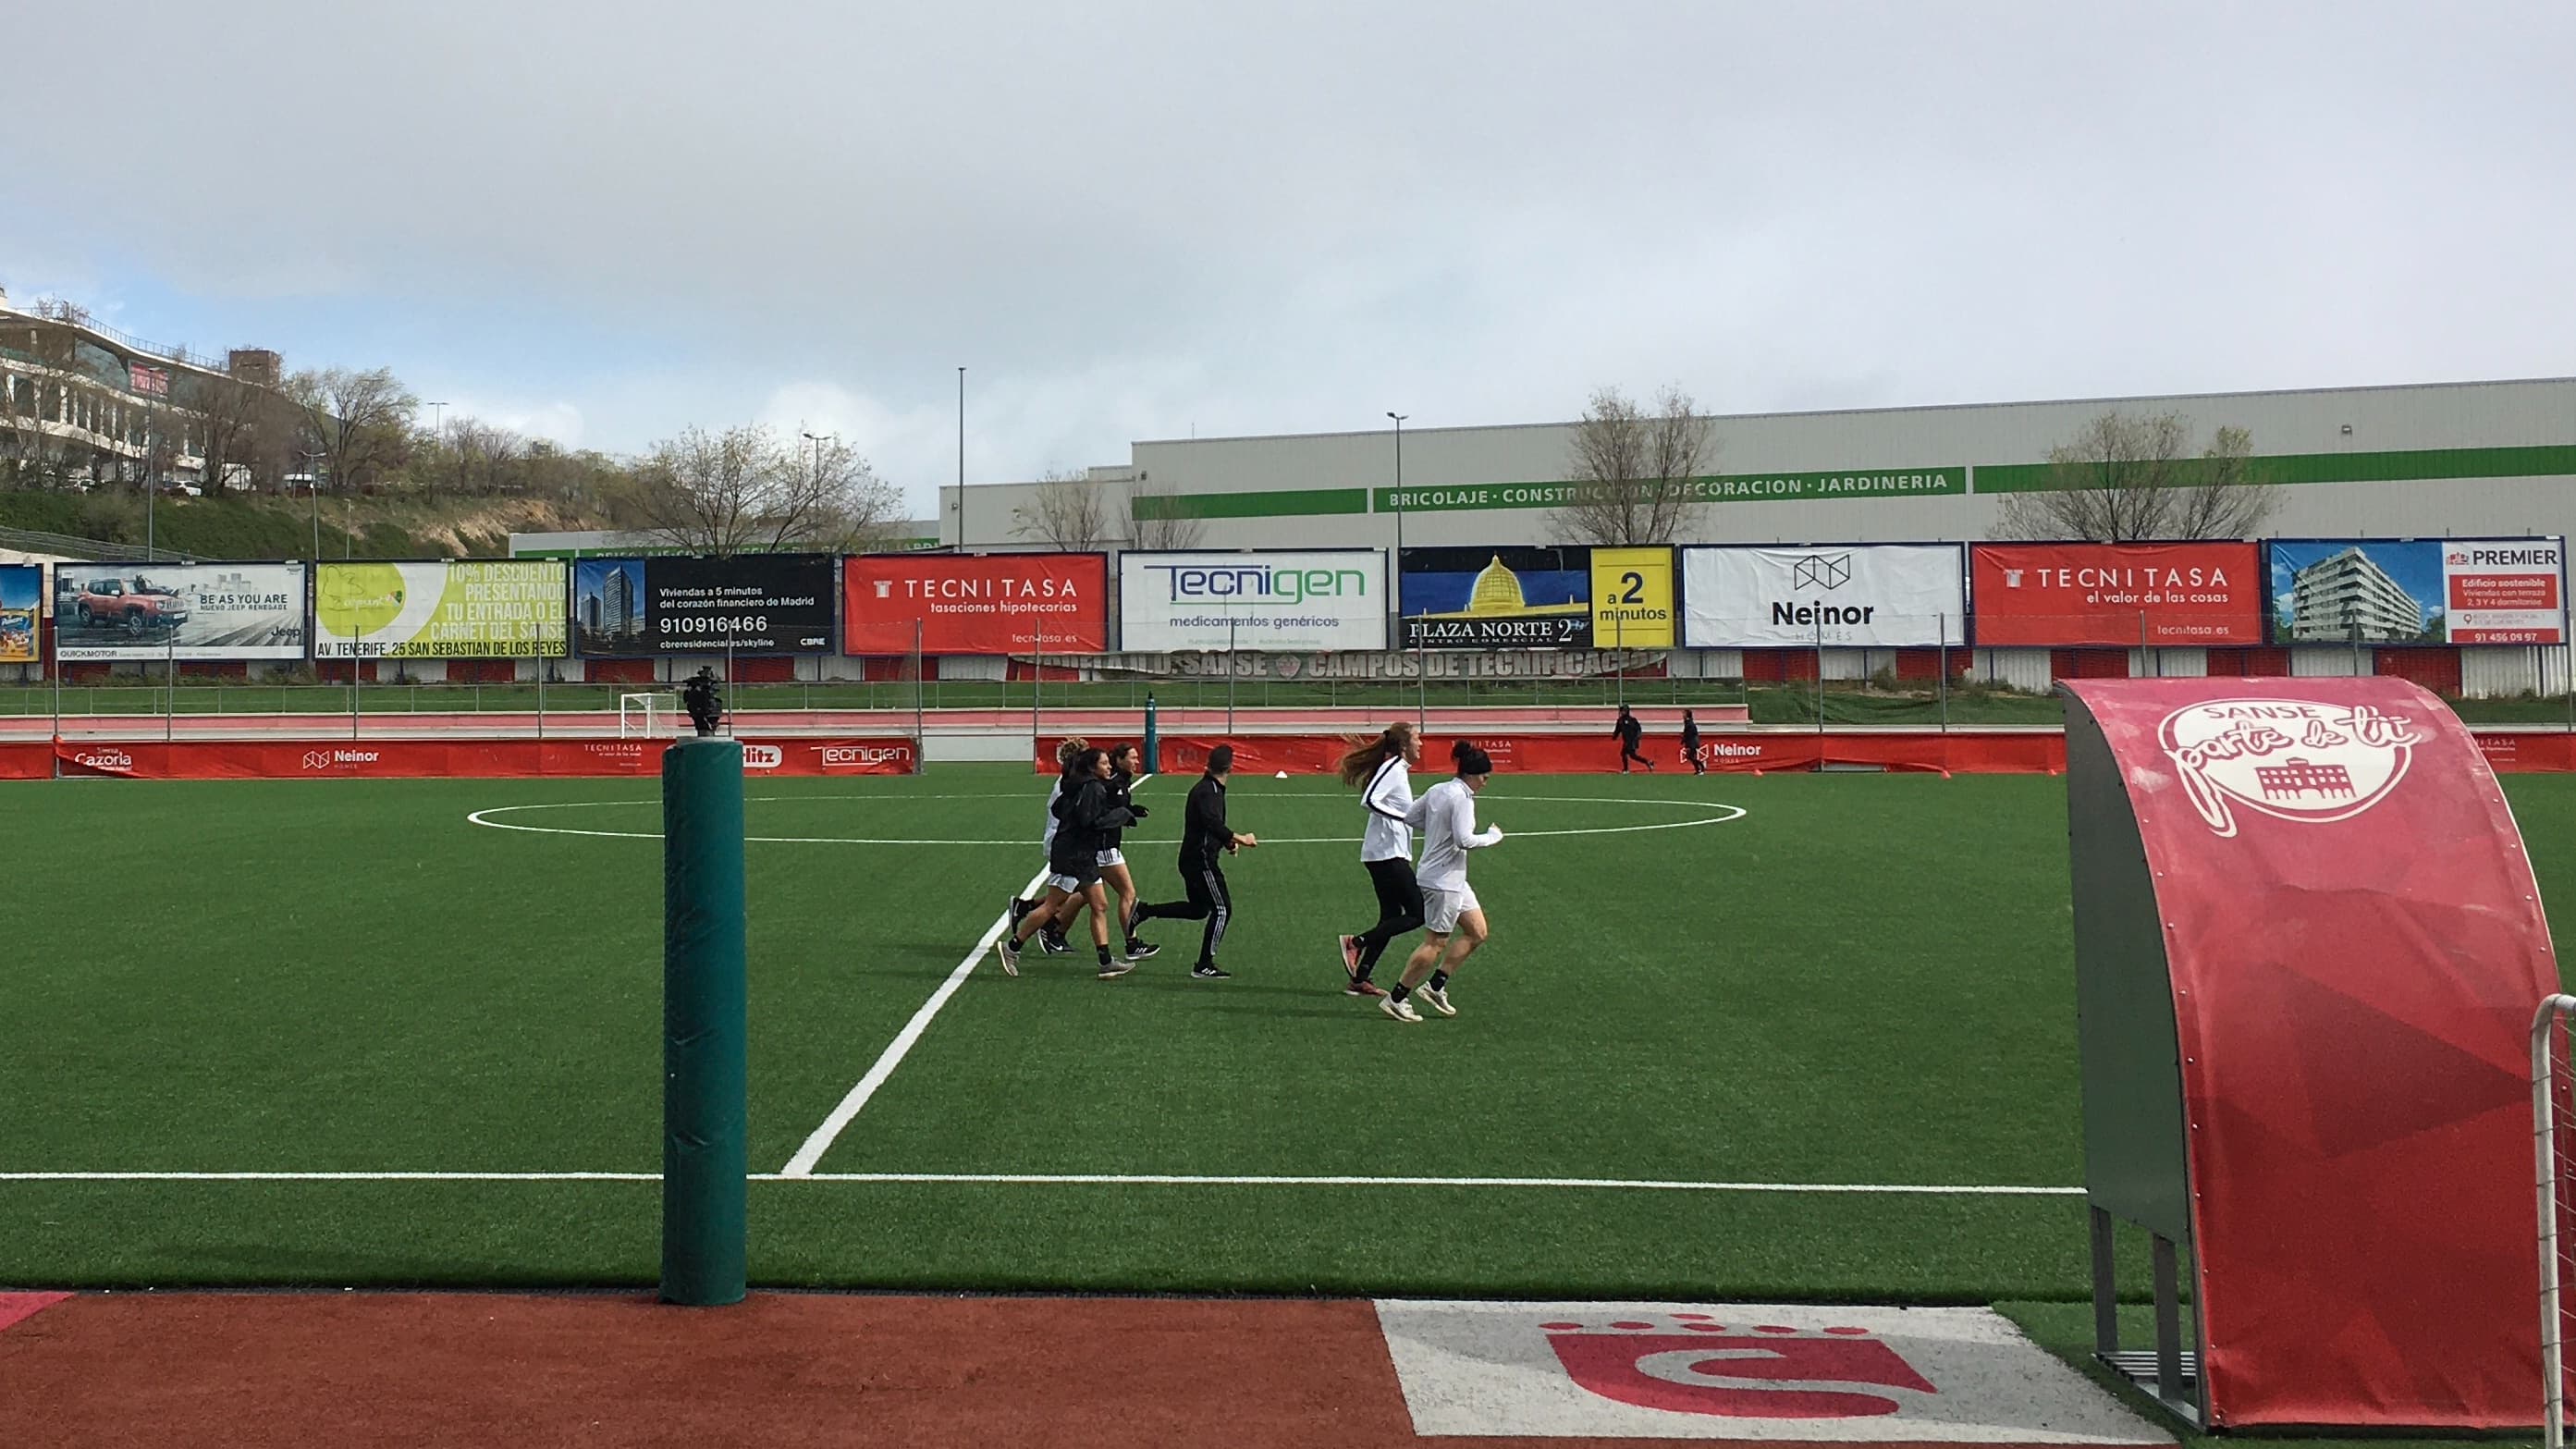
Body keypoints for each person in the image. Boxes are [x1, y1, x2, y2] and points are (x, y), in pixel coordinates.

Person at [1382, 740, 1503, 1024]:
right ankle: (1396, 998)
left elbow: (1411, 817)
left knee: (1477, 932)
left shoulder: (1438, 789)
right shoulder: (1462, 799)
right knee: (1436, 942)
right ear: (1472, 775)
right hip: (1442, 882)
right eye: (1484, 778)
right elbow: (1464, 840)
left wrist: (1438, 828)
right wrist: (1492, 837)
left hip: (1453, 878)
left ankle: (1435, 986)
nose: (1485, 783)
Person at [997, 746, 1137, 979]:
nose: (1109, 766)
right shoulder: (1092, 788)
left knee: (1100, 905)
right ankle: (1012, 947)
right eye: (1104, 763)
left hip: (1083, 855)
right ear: (1092, 767)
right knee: (1052, 906)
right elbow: (1090, 821)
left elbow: (1059, 808)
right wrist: (1121, 815)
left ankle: (1106, 962)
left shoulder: (1077, 784)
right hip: (1073, 856)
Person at [1131, 744, 1257, 979]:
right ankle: (1204, 964)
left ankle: (1144, 911)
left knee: (1199, 909)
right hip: (1201, 861)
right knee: (1222, 909)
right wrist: (1240, 838)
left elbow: (1209, 825)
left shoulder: (1211, 788)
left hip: (1193, 859)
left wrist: (1227, 843)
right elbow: (1211, 822)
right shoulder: (1208, 791)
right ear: (1231, 767)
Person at [1333, 722, 1424, 998]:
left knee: (1391, 917)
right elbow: (1370, 800)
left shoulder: (1398, 770)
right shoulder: (1393, 768)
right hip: (1386, 854)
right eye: (1417, 738)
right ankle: (1355, 942)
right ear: (1404, 745)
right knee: (1418, 913)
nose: (1421, 744)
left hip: (1387, 853)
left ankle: (1360, 979)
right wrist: (1404, 818)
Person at [1009, 738, 1086, 954]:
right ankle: (1034, 934)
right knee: (1068, 896)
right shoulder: (1068, 784)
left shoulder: (1073, 780)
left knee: (1086, 890)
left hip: (1068, 841)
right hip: (1063, 843)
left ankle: (1028, 909)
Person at [1098, 743, 1158, 961]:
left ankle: (1050, 923)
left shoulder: (1122, 781)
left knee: (1081, 894)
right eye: (1132, 757)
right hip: (1105, 847)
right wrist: (1126, 815)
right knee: (1128, 893)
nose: (1137, 761)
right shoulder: (1111, 782)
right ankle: (1131, 944)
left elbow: (1117, 807)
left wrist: (1131, 811)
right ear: (1119, 759)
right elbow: (1103, 813)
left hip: (1106, 846)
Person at [1613, 703, 1653, 773]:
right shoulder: (1620, 721)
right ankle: (1647, 762)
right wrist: (1614, 736)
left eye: (1624, 711)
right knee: (1631, 755)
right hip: (1626, 741)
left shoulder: (1632, 720)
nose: (1622, 712)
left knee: (1626, 754)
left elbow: (1638, 729)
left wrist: (1637, 738)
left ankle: (1626, 769)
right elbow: (1618, 730)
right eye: (1621, 711)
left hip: (1632, 741)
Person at [1680, 708, 1706, 775]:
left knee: (1691, 757)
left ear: (1687, 715)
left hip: (1692, 743)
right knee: (1690, 757)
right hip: (1690, 742)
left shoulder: (1690, 723)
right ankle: (1698, 769)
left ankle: (1701, 767)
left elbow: (1689, 733)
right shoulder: (1687, 722)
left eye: (1684, 713)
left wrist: (1684, 739)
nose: (1683, 715)